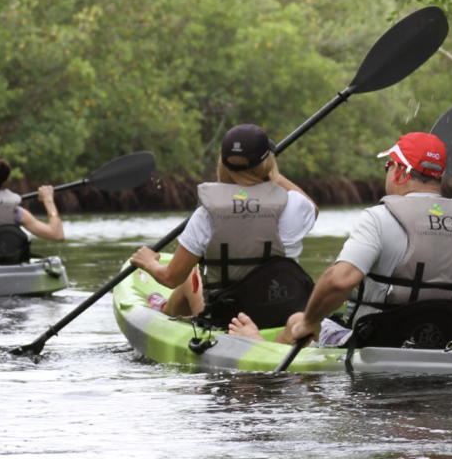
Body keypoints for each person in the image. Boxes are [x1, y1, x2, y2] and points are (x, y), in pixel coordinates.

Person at [229, 131, 452, 350]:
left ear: (399, 171)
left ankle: (256, 343)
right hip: (445, 337)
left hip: (378, 339)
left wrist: (310, 321)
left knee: (296, 321)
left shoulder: (379, 217)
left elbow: (339, 281)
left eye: (389, 166)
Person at [130, 124, 319, 325]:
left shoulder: (206, 215)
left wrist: (149, 261)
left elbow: (170, 278)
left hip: (229, 321)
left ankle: (164, 308)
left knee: (190, 276)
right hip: (284, 314)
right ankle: (167, 306)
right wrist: (270, 174)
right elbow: (312, 207)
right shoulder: (296, 205)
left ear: (223, 163)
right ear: (268, 163)